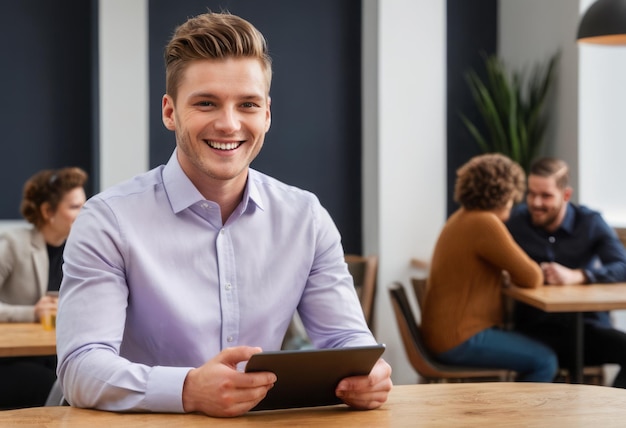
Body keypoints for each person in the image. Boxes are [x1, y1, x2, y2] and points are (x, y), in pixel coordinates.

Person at [56, 11, 392, 417]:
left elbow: (349, 343)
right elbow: (81, 367)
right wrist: (187, 390)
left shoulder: (306, 218)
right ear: (169, 112)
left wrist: (369, 374)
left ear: (266, 114)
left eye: (247, 104)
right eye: (206, 103)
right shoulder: (107, 220)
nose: (229, 123)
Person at [421, 153, 558, 382]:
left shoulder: (461, 217)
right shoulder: (485, 223)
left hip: (443, 336)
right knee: (545, 360)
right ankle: (519, 418)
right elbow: (532, 277)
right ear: (506, 195)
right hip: (460, 339)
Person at [506, 157, 626, 388]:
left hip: (588, 329)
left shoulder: (590, 222)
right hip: (536, 331)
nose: (536, 203)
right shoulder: (515, 222)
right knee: (537, 364)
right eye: (531, 194)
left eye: (546, 196)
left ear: (566, 195)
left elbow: (622, 266)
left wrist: (579, 276)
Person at [0, 167, 87, 409]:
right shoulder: (13, 244)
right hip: (14, 359)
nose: (84, 213)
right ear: (48, 211)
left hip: (56, 351)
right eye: (74, 207)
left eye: (84, 205)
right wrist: (31, 312)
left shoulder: (81, 249)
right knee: (54, 385)